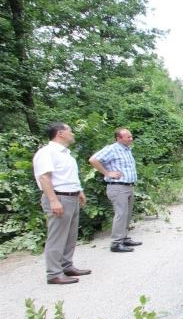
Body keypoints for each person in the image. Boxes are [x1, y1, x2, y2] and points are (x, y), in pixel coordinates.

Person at [32, 122, 91, 284]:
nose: (73, 134)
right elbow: (44, 177)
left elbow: (68, 176)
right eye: (70, 131)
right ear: (60, 133)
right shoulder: (47, 152)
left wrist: (79, 191)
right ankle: (54, 274)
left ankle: (67, 266)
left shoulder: (66, 154)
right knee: (57, 236)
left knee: (70, 235)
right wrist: (53, 200)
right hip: (59, 198)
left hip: (71, 197)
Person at [89, 128, 141, 253]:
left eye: (131, 136)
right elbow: (93, 160)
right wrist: (107, 173)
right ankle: (116, 243)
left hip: (128, 186)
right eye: (128, 137)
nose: (131, 139)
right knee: (121, 214)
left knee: (127, 214)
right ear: (119, 138)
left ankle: (124, 238)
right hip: (118, 187)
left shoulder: (127, 150)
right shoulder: (112, 149)